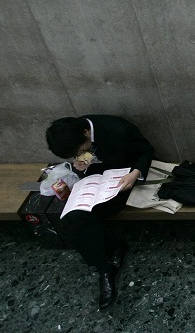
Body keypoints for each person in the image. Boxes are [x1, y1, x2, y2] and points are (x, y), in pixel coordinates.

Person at [45, 115, 153, 310]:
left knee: (83, 219)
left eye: (79, 150)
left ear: (86, 133)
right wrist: (82, 167)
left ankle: (109, 260)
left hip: (121, 181)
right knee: (72, 216)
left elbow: (146, 152)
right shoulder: (76, 134)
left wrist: (135, 173)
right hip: (95, 182)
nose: (80, 152)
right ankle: (104, 266)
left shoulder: (119, 130)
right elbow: (87, 159)